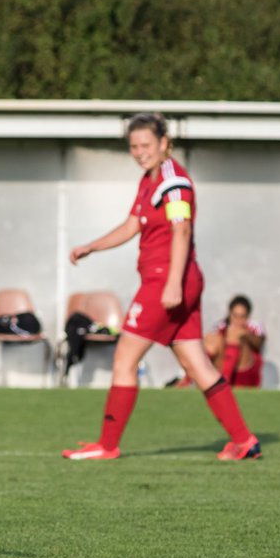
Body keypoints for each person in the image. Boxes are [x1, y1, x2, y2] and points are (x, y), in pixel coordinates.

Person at [63, 112, 259, 461]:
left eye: (146, 145)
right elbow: (132, 225)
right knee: (197, 363)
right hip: (175, 280)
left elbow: (181, 230)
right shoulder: (149, 180)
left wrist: (172, 285)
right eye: (134, 146)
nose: (139, 152)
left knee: (125, 355)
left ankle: (107, 445)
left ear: (165, 143)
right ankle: (244, 440)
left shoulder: (173, 181)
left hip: (167, 281)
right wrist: (91, 246)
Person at [204, 295, 264, 387]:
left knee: (235, 333)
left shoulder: (255, 326)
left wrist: (244, 334)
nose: (238, 320)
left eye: (242, 317)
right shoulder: (220, 325)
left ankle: (225, 380)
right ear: (229, 314)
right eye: (235, 316)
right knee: (211, 339)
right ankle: (192, 377)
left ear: (248, 316)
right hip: (220, 365)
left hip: (246, 370)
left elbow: (259, 345)